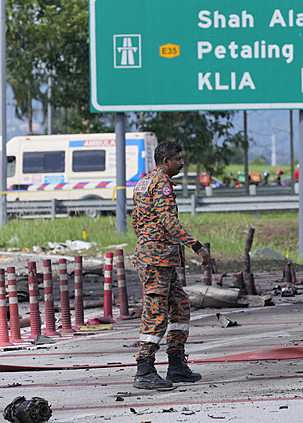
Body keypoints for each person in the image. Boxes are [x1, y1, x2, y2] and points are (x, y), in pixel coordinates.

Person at [131, 140, 211, 390]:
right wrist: (196, 245)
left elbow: (136, 221)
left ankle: (176, 363)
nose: (181, 163)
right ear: (165, 161)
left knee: (180, 305)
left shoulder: (143, 182)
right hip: (156, 259)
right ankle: (144, 369)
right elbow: (169, 223)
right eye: (177, 159)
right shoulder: (162, 184)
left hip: (157, 256)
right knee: (156, 313)